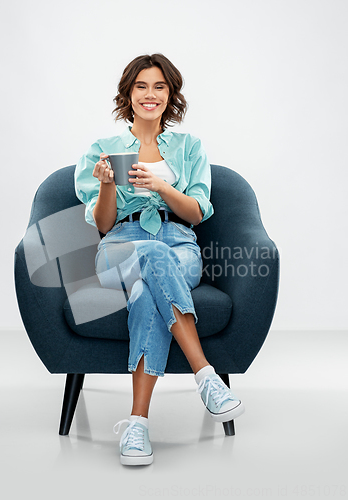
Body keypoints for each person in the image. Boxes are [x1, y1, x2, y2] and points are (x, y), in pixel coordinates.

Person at [75, 53, 244, 466]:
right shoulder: (103, 149)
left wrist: (161, 187)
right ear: (128, 94)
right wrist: (109, 186)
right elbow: (102, 223)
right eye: (141, 87)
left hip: (179, 243)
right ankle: (205, 375)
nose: (150, 95)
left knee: (144, 291)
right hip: (121, 243)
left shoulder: (189, 147)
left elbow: (197, 212)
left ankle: (137, 425)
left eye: (159, 87)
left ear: (171, 95)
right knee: (148, 255)